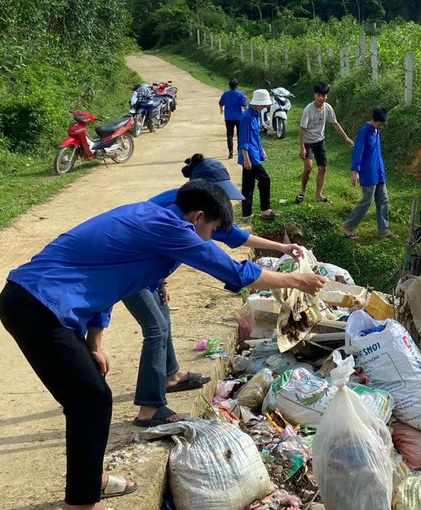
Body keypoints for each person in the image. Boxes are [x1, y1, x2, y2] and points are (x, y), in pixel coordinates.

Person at [0, 181, 325, 510]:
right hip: (37, 305)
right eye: (213, 230)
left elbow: (113, 281)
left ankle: (89, 479)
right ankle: (80, 509)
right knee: (90, 400)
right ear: (198, 217)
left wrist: (95, 342)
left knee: (90, 394)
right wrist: (296, 280)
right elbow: (232, 271)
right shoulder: (169, 228)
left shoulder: (159, 215)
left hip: (48, 304)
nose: (211, 237)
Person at [126, 155, 304, 428]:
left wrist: (280, 247)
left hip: (145, 270)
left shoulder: (195, 207)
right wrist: (295, 281)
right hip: (130, 272)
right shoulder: (179, 215)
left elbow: (234, 236)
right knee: (156, 329)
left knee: (163, 315)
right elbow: (232, 271)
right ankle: (149, 410)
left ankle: (171, 375)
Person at [296, 83, 354, 205]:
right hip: (307, 142)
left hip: (319, 141)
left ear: (326, 96)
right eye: (319, 95)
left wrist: (346, 138)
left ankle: (319, 195)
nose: (322, 98)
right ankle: (302, 192)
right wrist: (302, 147)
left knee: (323, 168)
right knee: (308, 167)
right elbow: (302, 129)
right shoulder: (308, 110)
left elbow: (335, 123)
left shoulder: (328, 108)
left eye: (324, 95)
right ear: (315, 95)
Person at [342, 107, 391, 239]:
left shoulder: (377, 131)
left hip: (379, 172)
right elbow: (358, 152)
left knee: (383, 199)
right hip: (368, 172)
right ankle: (348, 227)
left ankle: (384, 230)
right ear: (373, 120)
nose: (381, 127)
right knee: (367, 201)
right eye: (380, 124)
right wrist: (355, 171)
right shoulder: (365, 131)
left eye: (383, 125)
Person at [239, 88, 280, 220]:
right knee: (264, 179)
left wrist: (262, 149)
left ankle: (247, 213)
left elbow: (256, 136)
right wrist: (246, 158)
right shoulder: (247, 117)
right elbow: (243, 140)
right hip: (250, 155)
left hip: (255, 151)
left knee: (248, 183)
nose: (265, 106)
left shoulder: (256, 115)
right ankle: (265, 209)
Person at [219, 79, 247, 158]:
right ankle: (239, 151)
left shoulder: (225, 94)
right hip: (239, 118)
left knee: (229, 135)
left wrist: (221, 110)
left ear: (229, 86)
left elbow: (221, 103)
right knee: (239, 135)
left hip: (228, 118)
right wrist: (248, 113)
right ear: (237, 86)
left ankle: (230, 151)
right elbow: (244, 106)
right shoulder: (240, 95)